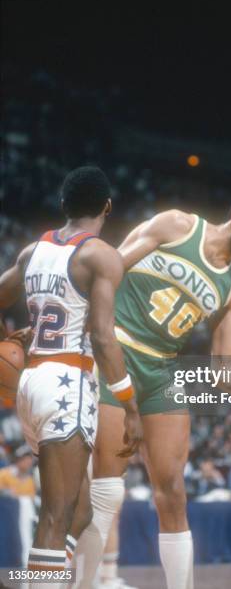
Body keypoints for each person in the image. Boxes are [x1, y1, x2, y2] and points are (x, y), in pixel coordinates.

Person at [73, 191, 231, 589]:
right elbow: (108, 268)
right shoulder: (177, 225)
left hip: (162, 370)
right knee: (108, 488)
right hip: (117, 349)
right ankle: (84, 584)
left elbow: (224, 370)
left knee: (173, 492)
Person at [0, 167, 140, 589]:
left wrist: (8, 339)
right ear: (108, 207)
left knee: (78, 512)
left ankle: (33, 581)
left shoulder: (32, 250)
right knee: (57, 515)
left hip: (30, 384)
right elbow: (102, 337)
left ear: (63, 204)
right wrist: (129, 402)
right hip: (68, 382)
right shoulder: (100, 255)